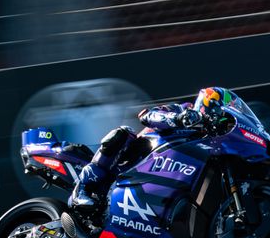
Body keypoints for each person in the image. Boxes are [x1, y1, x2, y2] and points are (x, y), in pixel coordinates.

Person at [69, 86, 230, 209]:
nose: (220, 120)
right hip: (138, 156)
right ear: (206, 104)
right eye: (218, 112)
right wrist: (178, 118)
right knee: (123, 133)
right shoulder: (183, 110)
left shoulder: (207, 143)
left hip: (163, 181)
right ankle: (83, 189)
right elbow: (147, 115)